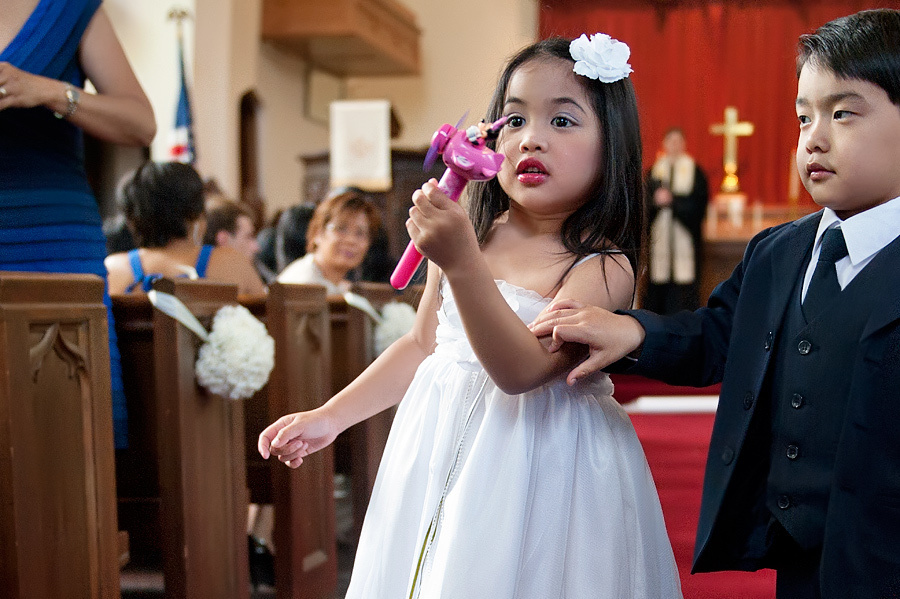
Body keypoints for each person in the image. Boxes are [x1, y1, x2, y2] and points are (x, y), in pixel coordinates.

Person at [259, 33, 682, 598]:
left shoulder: (602, 265)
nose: (531, 138)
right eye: (515, 119)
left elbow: (522, 371)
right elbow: (420, 346)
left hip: (542, 463)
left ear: (612, 146)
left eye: (562, 121)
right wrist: (331, 418)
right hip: (436, 443)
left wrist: (461, 262)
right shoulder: (473, 234)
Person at [529, 10, 900, 598]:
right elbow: (721, 335)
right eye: (804, 116)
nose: (814, 138)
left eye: (843, 113)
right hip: (799, 554)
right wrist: (636, 334)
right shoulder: (778, 252)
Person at [0, 0, 156, 448]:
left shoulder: (70, 8)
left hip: (52, 234)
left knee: (70, 417)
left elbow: (142, 124)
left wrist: (51, 92)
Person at [105, 161, 266, 295]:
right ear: (195, 214)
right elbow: (264, 319)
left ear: (132, 218)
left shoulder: (113, 270)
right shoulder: (233, 264)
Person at [644, 127, 709, 313]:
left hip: (686, 243)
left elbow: (699, 206)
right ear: (664, 144)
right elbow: (643, 207)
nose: (674, 145)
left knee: (684, 296)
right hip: (659, 244)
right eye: (670, 141)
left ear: (684, 144)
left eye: (678, 141)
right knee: (658, 293)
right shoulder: (654, 172)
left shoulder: (695, 172)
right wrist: (655, 202)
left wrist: (672, 201)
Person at [276, 189, 381, 295]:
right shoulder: (303, 284)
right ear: (317, 233)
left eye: (360, 233)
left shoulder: (339, 286)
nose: (351, 240)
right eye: (341, 229)